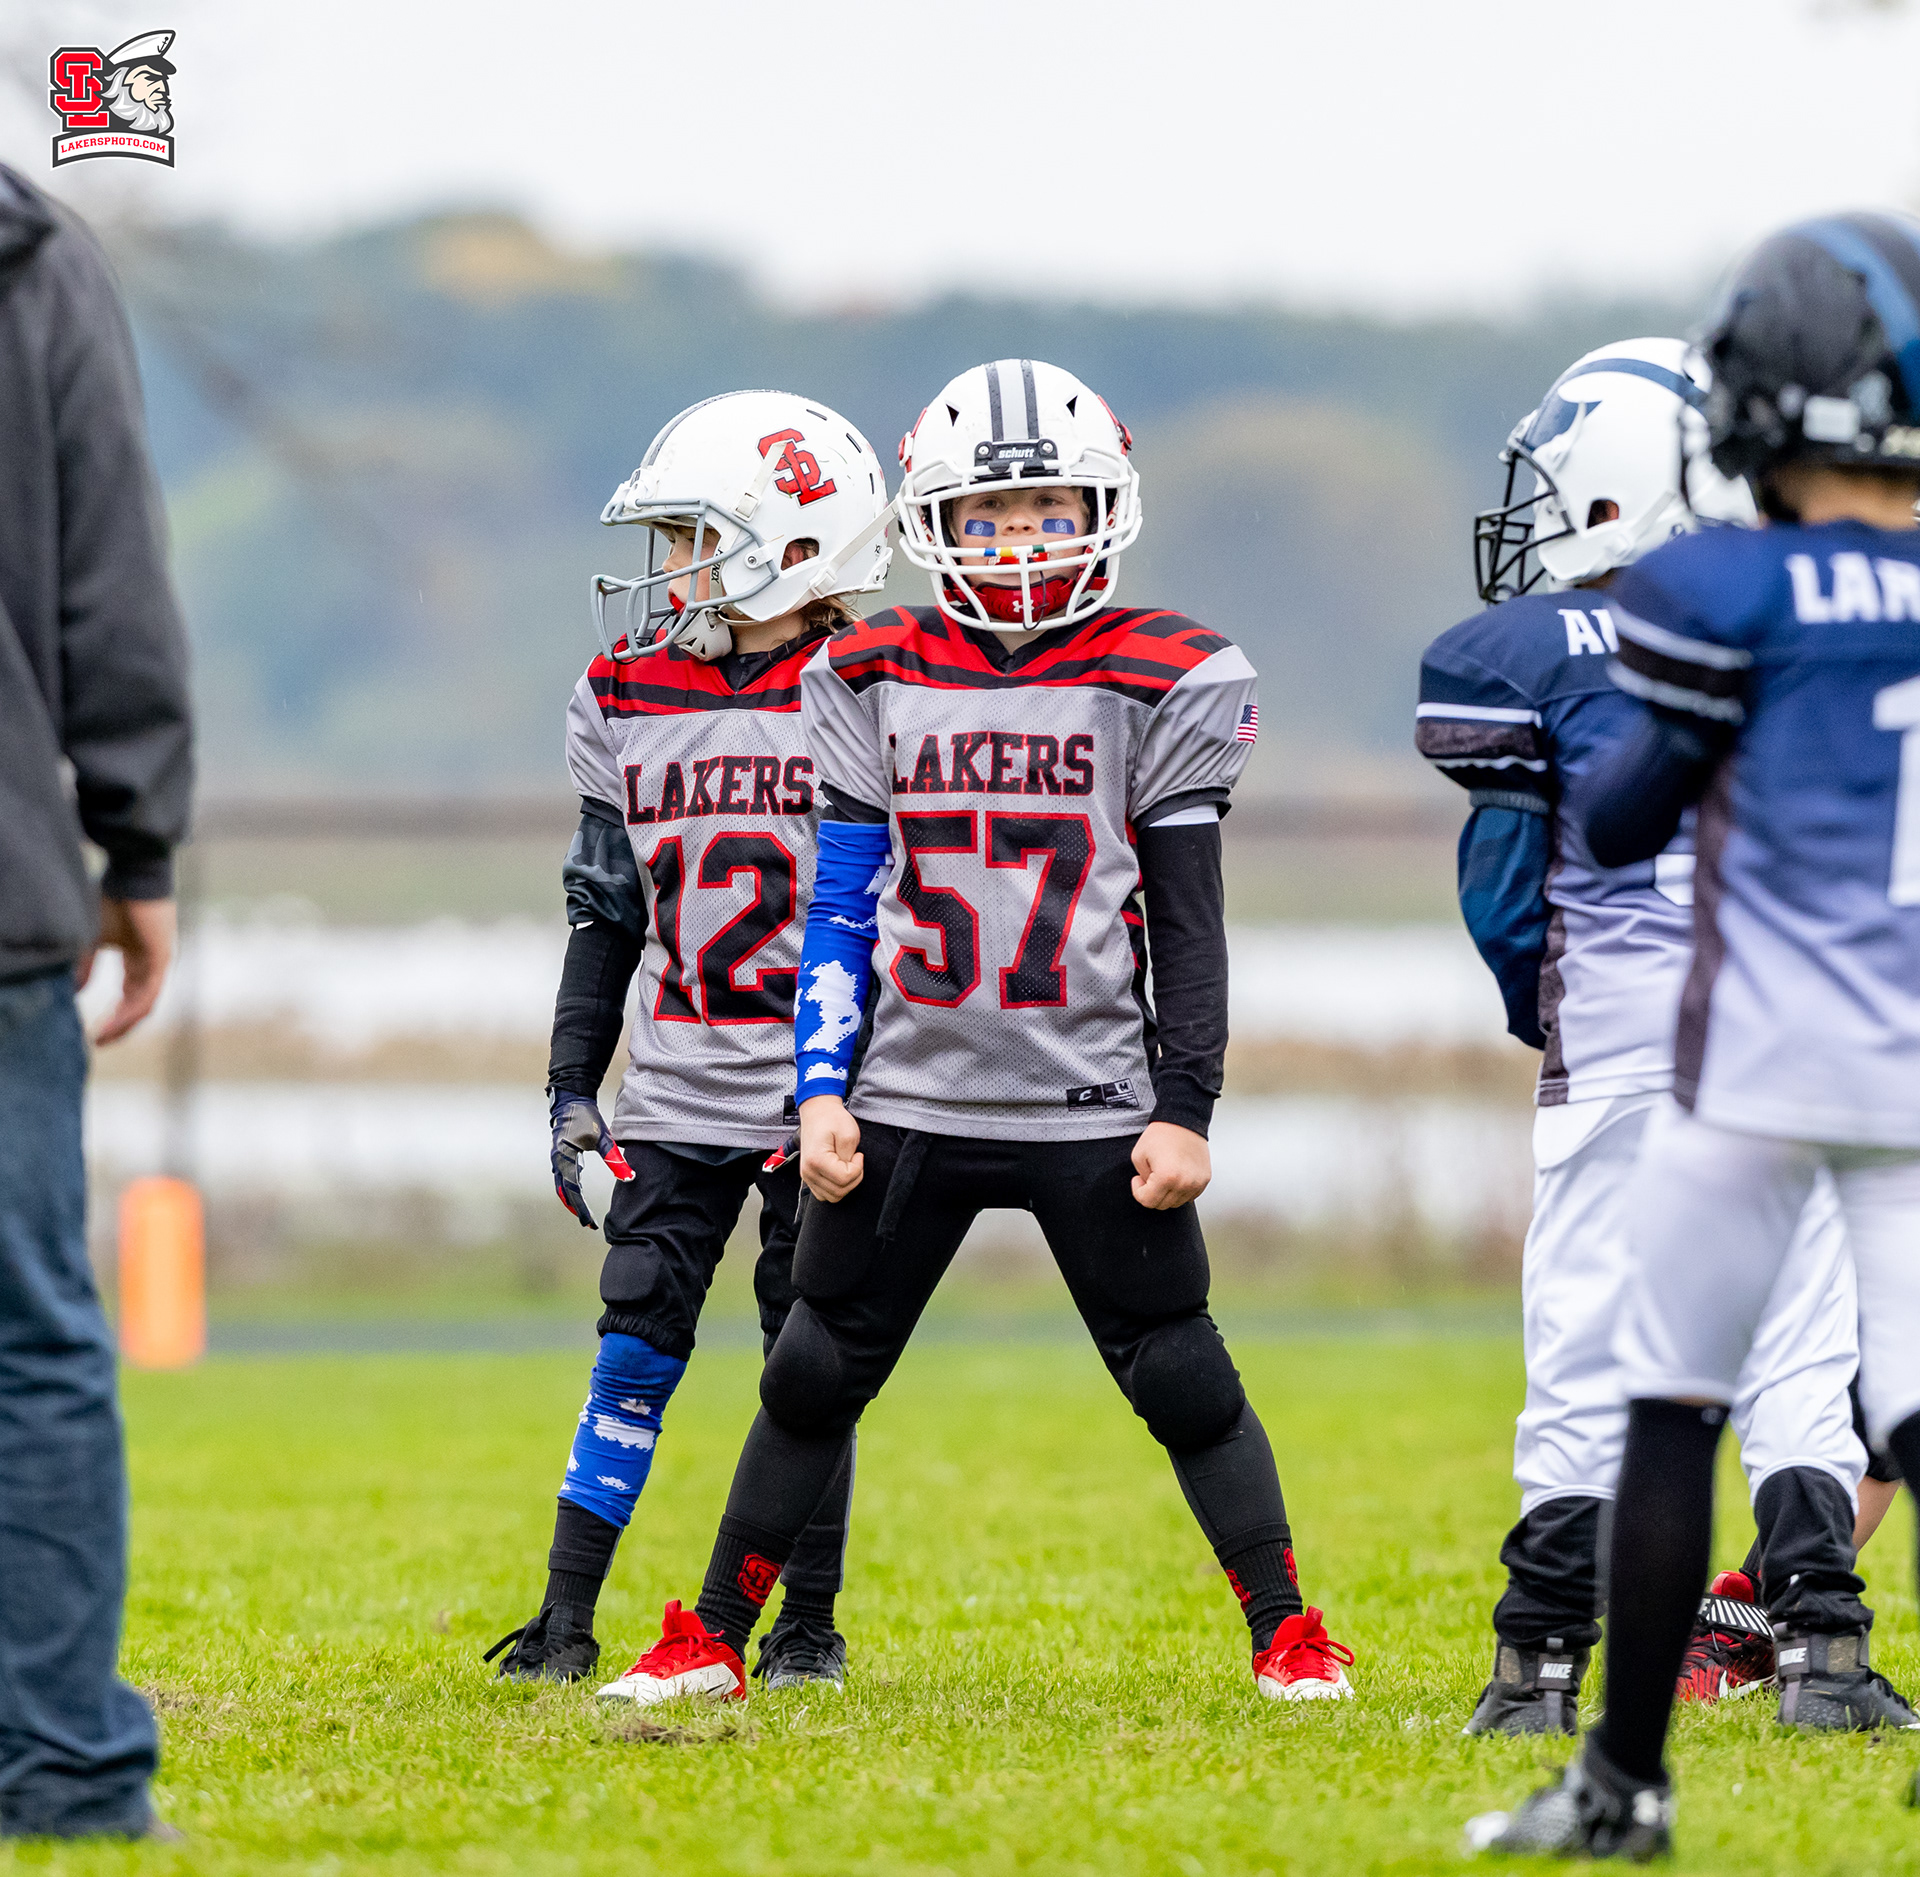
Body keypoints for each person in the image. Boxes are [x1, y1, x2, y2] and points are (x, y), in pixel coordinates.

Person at [592, 358, 1356, 1708]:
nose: (1022, 543)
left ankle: (1287, 1632)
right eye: (992, 517)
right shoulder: (873, 669)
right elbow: (839, 908)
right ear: (937, 522)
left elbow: (1190, 923)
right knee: (812, 1370)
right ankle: (709, 1639)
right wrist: (819, 1086)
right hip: (911, 1091)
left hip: (1088, 1093)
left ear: (1103, 511)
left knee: (1180, 1370)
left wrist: (1187, 1105)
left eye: (1050, 512)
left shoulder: (1158, 673)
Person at [1471, 209, 1920, 1859]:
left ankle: (1620, 1776)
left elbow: (1616, 817)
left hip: (1756, 1055)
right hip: (1906, 1060)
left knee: (1667, 1401)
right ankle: (1825, 1654)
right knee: (1886, 1397)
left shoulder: (1724, 590)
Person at [485, 390, 893, 1694]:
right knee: (633, 1341)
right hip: (676, 1080)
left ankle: (806, 1626)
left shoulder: (877, 686)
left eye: (692, 538)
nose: (669, 568)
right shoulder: (621, 689)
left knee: (806, 1357)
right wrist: (571, 1088)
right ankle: (563, 1617)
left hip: (827, 1086)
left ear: (795, 544)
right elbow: (606, 909)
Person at [0, 164, 191, 1838]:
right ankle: (60, 1762)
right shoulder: (30, 253)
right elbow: (106, 574)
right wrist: (135, 839)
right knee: (29, 1334)